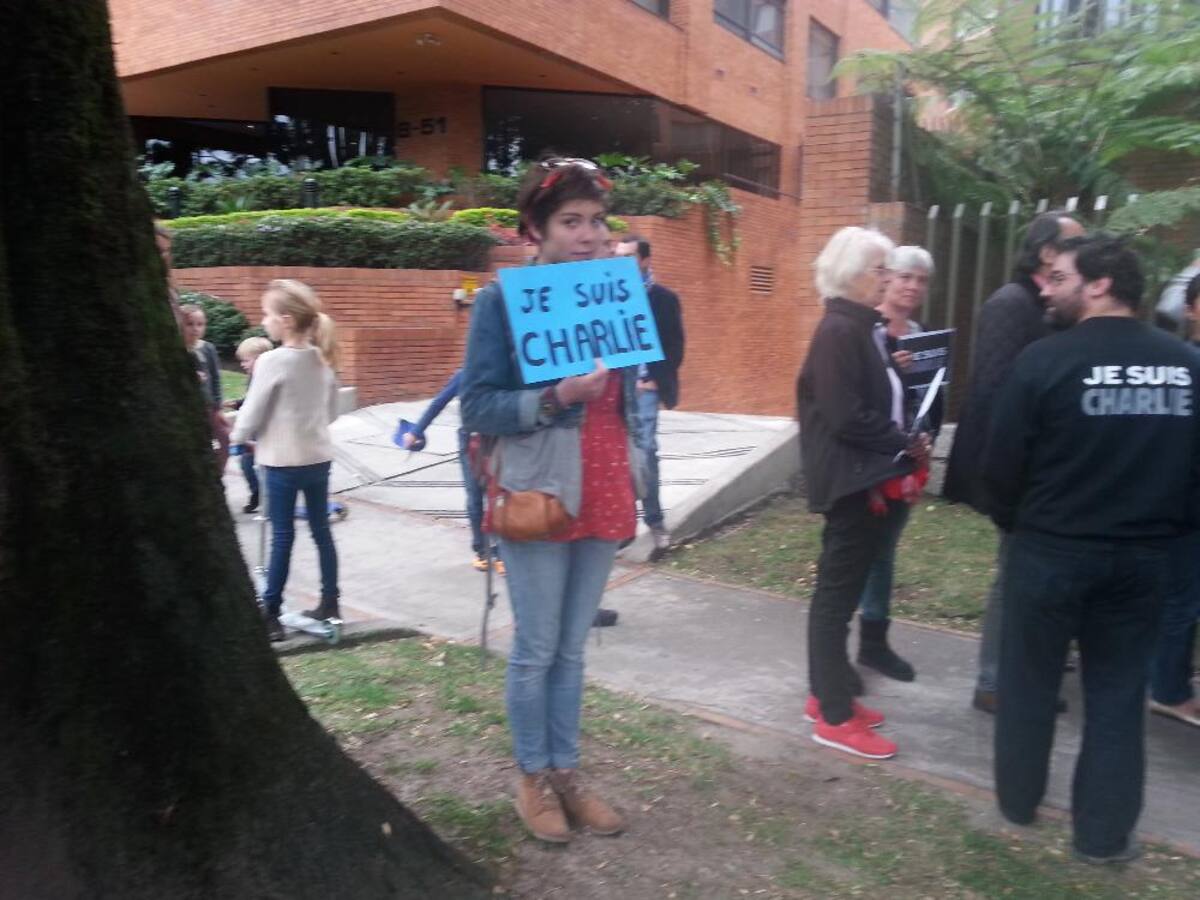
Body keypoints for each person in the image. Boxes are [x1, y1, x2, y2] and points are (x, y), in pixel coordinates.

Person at [982, 234, 1200, 863]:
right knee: (1116, 696)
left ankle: (1018, 804)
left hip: (1049, 553)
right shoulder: (1186, 366)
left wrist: (1021, 522)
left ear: (1101, 284)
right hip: (1141, 562)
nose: (1045, 288)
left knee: (1028, 685)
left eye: (1060, 277)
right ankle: (1102, 838)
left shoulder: (1043, 361)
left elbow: (1001, 469)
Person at [461, 156, 642, 843]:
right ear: (534, 230)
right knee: (535, 649)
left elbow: (629, 398)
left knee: (571, 649)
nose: (590, 235)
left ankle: (566, 771)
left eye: (597, 221)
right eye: (571, 221)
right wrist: (555, 397)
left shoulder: (613, 294)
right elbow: (478, 404)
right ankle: (531, 777)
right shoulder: (502, 302)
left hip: (601, 487)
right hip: (539, 490)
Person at [796, 226, 932, 761]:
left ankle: (827, 696)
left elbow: (866, 399)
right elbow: (845, 414)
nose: (888, 280)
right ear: (853, 274)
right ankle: (832, 715)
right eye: (880, 270)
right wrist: (903, 442)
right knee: (835, 599)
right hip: (853, 483)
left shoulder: (863, 329)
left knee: (842, 595)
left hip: (865, 478)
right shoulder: (838, 330)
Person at [942, 210, 1085, 713]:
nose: (1084, 251)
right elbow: (993, 393)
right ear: (1048, 253)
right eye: (1076, 243)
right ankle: (995, 681)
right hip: (1018, 471)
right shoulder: (1011, 303)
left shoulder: (1052, 307)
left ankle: (1023, 670)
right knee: (1014, 573)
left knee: (1029, 573)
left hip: (1043, 470)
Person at [230, 279, 342, 642]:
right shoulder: (322, 361)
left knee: (281, 535)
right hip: (318, 459)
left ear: (287, 320)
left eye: (267, 314)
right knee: (321, 532)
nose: (263, 321)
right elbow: (331, 413)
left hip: (281, 463)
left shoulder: (272, 361)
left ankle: (272, 612)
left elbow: (251, 413)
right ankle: (330, 601)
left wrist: (236, 439)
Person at [855, 245, 937, 683]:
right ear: (886, 277)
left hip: (907, 457)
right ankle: (861, 640)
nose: (913, 286)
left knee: (884, 550)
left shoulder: (921, 333)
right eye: (906, 276)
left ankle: (873, 641)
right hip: (870, 459)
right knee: (867, 551)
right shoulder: (866, 328)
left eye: (921, 280)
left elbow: (925, 395)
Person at [1147, 270, 1200, 728]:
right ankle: (1167, 688)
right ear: (1190, 309)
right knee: (1183, 597)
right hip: (1184, 500)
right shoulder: (1182, 362)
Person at [614, 235, 685, 552]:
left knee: (644, 455)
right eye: (617, 256)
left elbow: (675, 347)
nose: (620, 263)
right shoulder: (608, 298)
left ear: (645, 260)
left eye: (627, 257)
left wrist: (654, 381)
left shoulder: (663, 299)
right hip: (611, 390)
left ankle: (655, 522)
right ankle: (622, 525)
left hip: (643, 389)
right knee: (616, 457)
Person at [401, 369, 501, 575]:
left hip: (498, 442)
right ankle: (481, 550)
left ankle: (501, 552)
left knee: (496, 498)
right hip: (470, 444)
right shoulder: (464, 375)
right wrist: (416, 431)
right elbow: (438, 403)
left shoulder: (501, 372)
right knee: (474, 498)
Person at [225, 336, 274, 513]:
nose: (243, 365)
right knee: (246, 463)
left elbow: (261, 403)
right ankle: (257, 492)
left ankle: (268, 496)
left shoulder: (267, 378)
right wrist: (238, 403)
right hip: (254, 430)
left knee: (264, 465)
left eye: (246, 360)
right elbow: (251, 400)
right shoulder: (252, 377)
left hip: (265, 430)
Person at [181, 302, 232, 472]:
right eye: (190, 324)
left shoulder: (207, 348)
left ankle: (217, 475)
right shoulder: (177, 349)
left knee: (226, 439)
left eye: (200, 324)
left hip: (208, 406)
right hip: (187, 408)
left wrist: (218, 407)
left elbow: (216, 379)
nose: (195, 328)